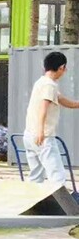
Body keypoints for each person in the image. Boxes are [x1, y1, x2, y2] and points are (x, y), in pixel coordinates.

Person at [22, 51, 79, 185]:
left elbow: (65, 101)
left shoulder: (41, 82)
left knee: (36, 176)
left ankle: (34, 198)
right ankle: (60, 199)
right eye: (64, 68)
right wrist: (41, 131)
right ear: (61, 67)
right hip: (43, 137)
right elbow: (44, 108)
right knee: (57, 175)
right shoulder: (49, 86)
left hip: (29, 135)